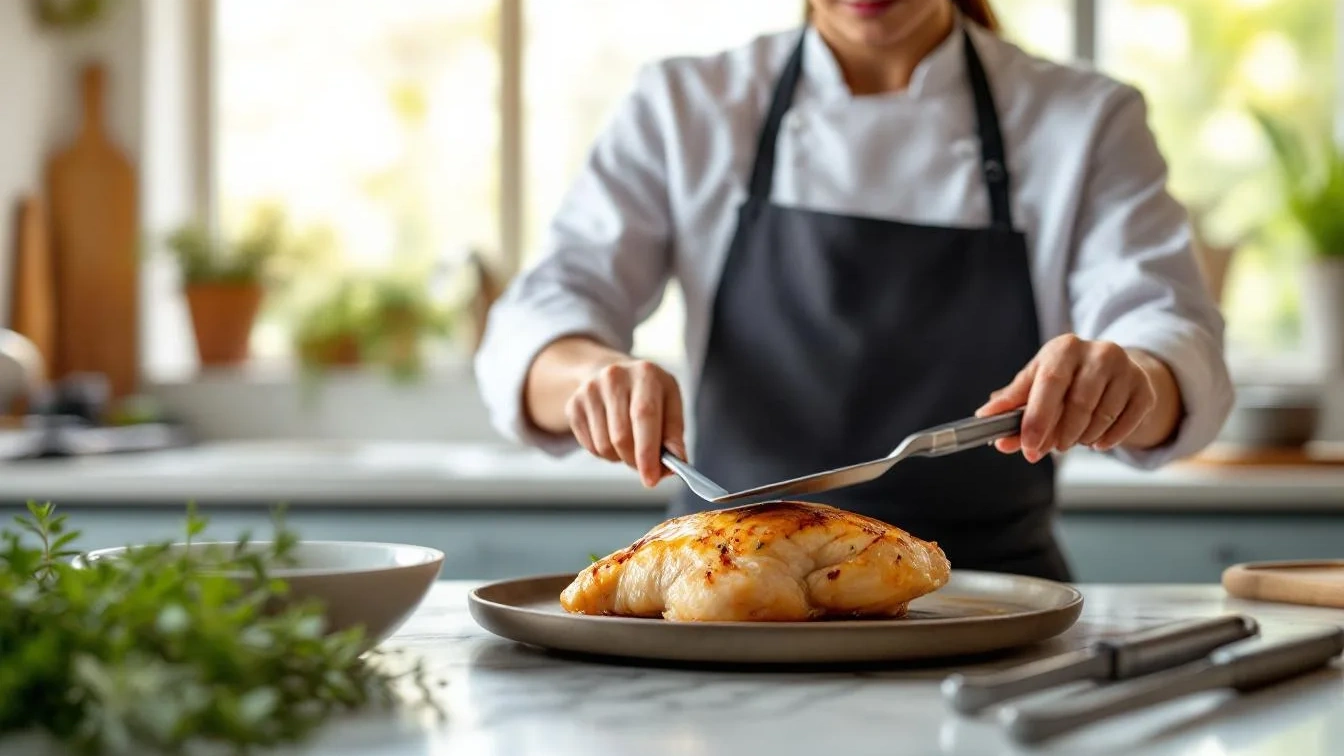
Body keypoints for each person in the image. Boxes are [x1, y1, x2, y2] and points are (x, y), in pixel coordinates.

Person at [474, 0, 1233, 581]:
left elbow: (1172, 343)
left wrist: (1127, 381)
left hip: (994, 607)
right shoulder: (685, 104)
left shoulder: (1085, 118)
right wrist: (591, 378)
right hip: (728, 591)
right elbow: (537, 324)